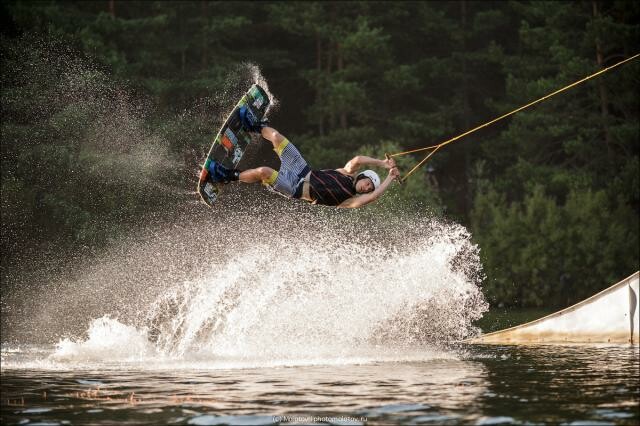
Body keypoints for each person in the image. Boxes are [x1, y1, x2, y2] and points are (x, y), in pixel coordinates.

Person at [207, 115, 399, 208]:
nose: (367, 188)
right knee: (276, 136)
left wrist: (389, 178)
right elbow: (357, 159)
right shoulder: (346, 172)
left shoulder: (350, 200)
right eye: (367, 183)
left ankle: (227, 176)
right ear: (362, 177)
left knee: (263, 172)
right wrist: (382, 164)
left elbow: (373, 197)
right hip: (302, 168)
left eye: (369, 188)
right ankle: (254, 126)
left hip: (295, 189)